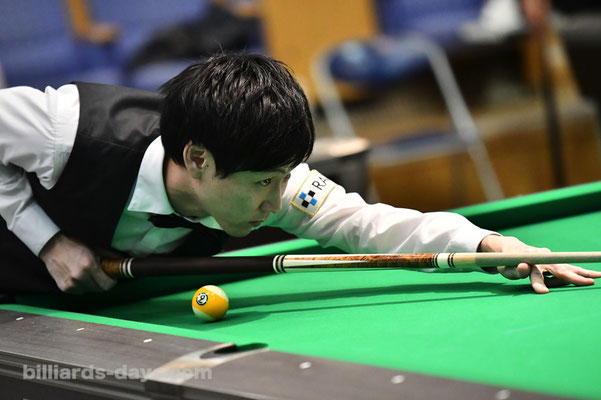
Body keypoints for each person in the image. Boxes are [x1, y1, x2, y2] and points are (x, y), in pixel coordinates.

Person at [0, 53, 598, 295]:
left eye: (284, 178)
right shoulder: (68, 128)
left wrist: (487, 245)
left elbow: (366, 223)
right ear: (199, 160)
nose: (277, 202)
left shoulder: (271, 180)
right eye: (264, 183)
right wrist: (46, 241)